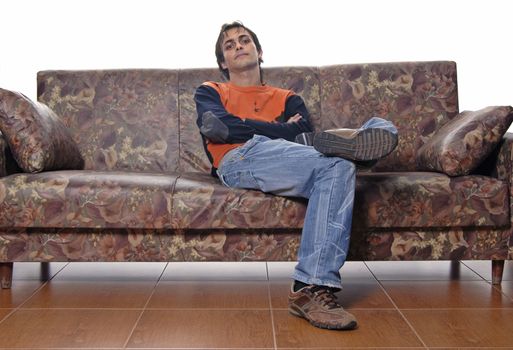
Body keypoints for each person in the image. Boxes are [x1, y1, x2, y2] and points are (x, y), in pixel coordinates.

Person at [194, 21, 398, 330]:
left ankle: (310, 288)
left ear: (259, 51)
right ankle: (311, 287)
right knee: (334, 161)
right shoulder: (212, 90)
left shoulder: (287, 96)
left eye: (244, 40)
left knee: (341, 165)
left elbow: (304, 134)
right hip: (238, 158)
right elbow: (218, 129)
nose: (238, 46)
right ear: (223, 62)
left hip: (282, 156)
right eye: (229, 45)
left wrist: (248, 125)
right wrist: (284, 129)